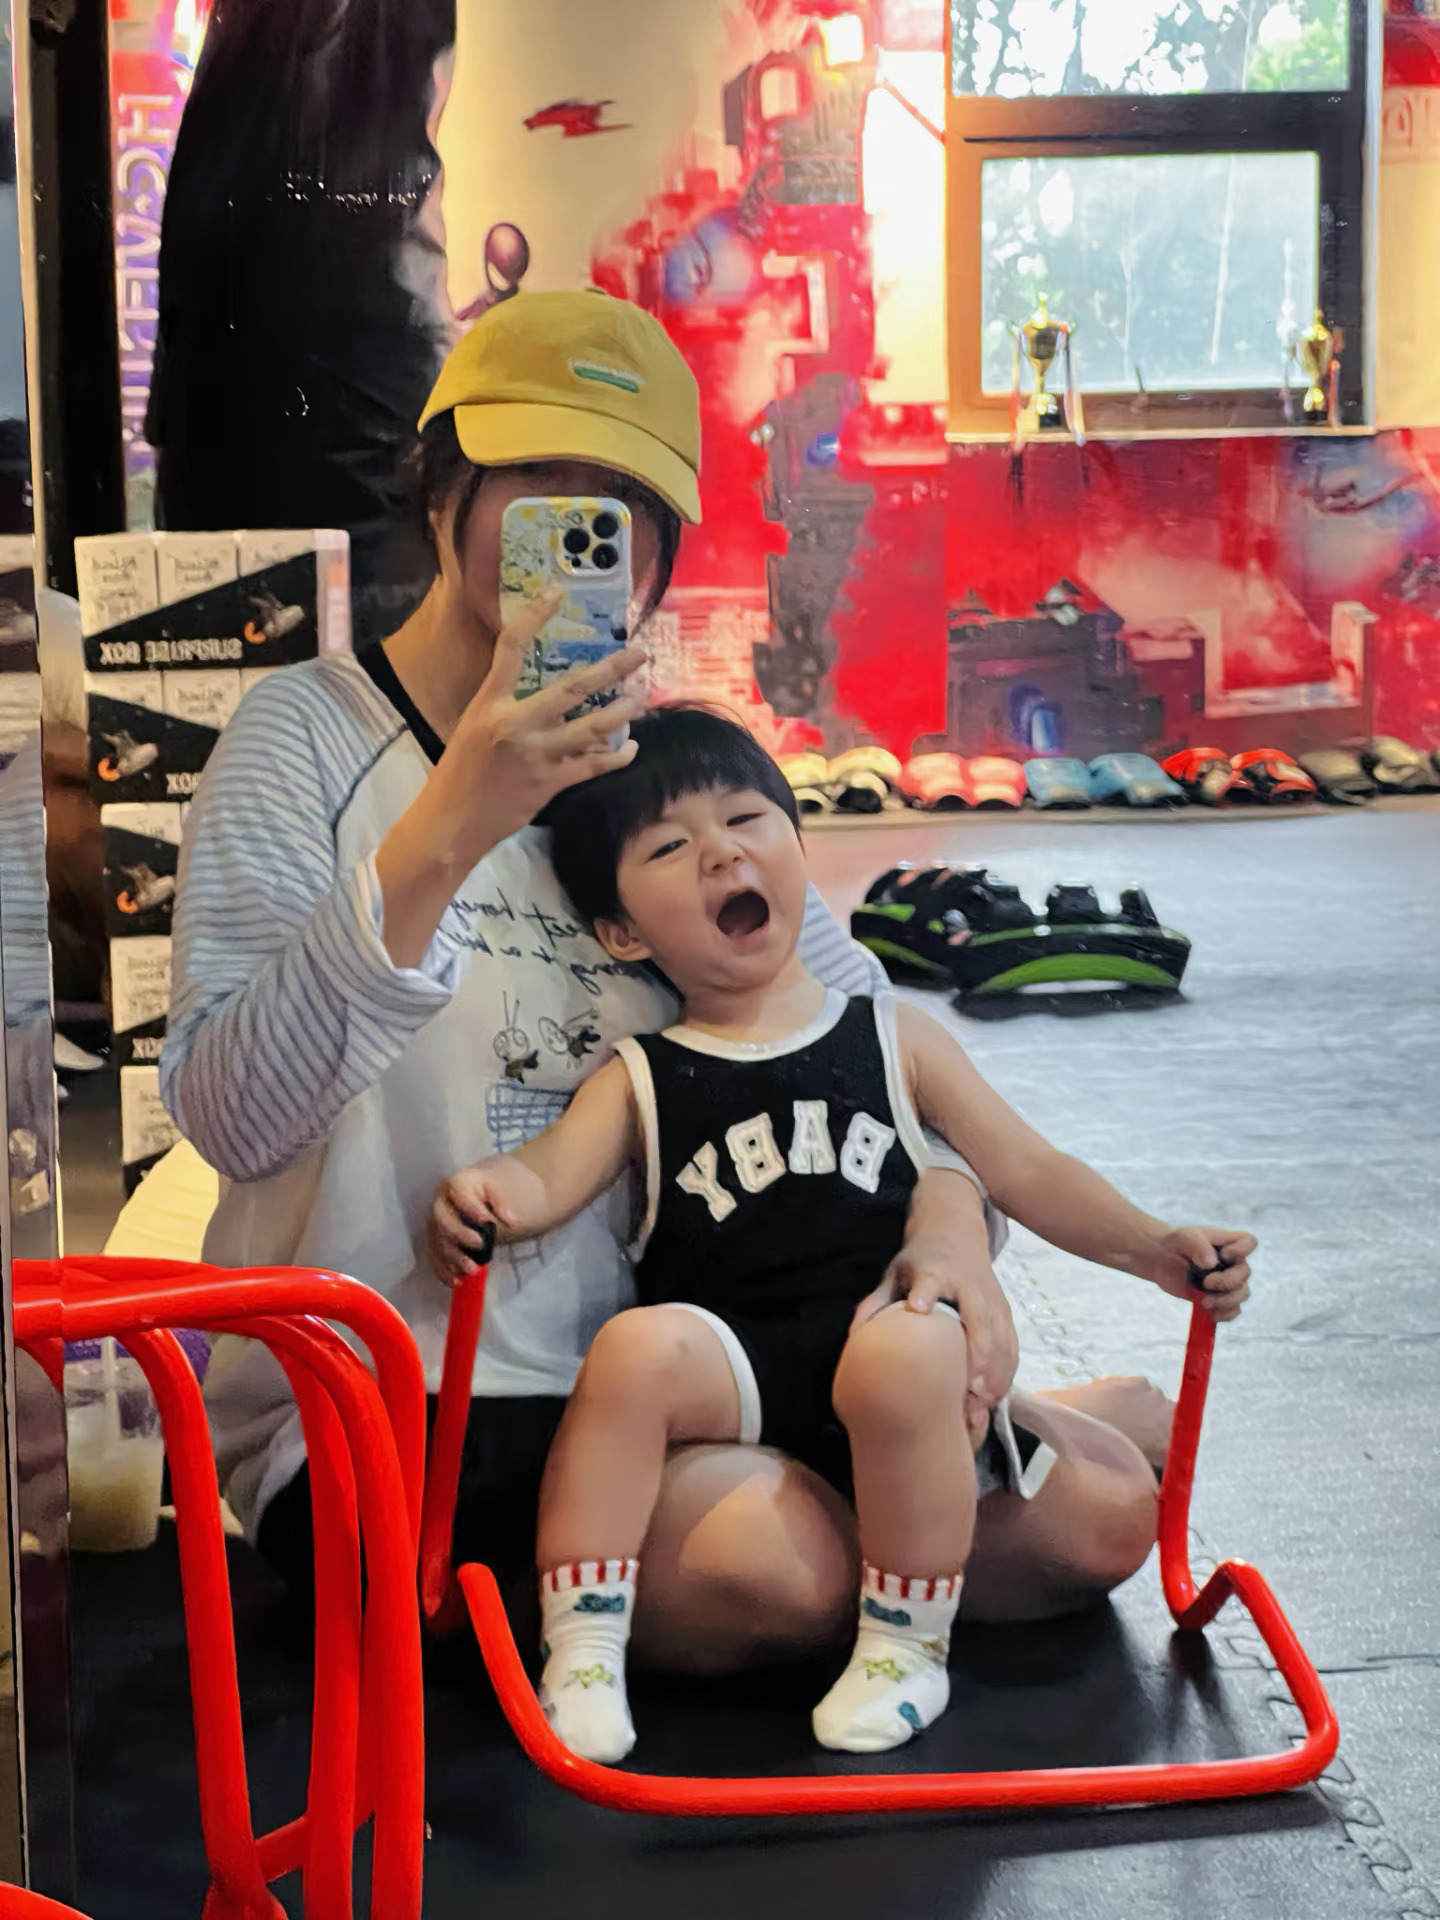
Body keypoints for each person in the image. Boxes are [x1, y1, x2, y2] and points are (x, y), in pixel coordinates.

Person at [162, 289, 1240, 1669]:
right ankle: (910, 1477)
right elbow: (235, 1116)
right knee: (787, 1573)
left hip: (704, 1372)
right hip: (404, 1414)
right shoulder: (305, 740)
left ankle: (925, 1458)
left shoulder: (661, 777)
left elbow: (870, 1051)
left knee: (1103, 1518)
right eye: (538, 477)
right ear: (441, 487)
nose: (578, 524)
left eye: (619, 501)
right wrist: (452, 824)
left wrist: (955, 1226)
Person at [428, 706, 1258, 1762]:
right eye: (671, 847)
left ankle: (906, 1647)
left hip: (890, 1346)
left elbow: (1027, 1168)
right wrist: (486, 1193)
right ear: (625, 933)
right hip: (740, 1362)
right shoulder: (641, 1073)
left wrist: (1152, 1247)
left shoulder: (895, 1035)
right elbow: (548, 1174)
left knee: (910, 1349)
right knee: (635, 1349)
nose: (721, 852)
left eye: (745, 820)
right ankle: (583, 1647)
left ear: (797, 847)